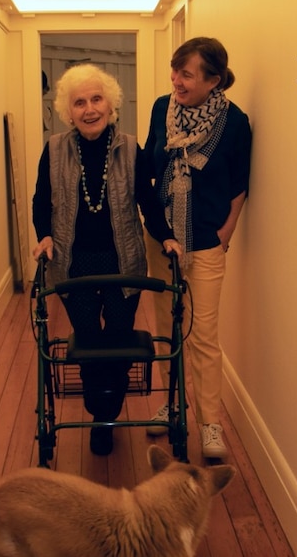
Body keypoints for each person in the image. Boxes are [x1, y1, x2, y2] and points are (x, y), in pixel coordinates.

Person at [32, 63, 182, 456]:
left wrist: (166, 237)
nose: (89, 109)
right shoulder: (54, 149)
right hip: (73, 262)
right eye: (79, 102)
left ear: (111, 103)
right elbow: (39, 201)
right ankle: (100, 415)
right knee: (89, 344)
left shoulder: (132, 148)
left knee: (116, 344)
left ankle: (107, 414)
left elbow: (148, 202)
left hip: (123, 262)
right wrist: (44, 236)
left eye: (96, 99)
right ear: (69, 110)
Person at [143, 37, 252, 459]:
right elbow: (150, 170)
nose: (176, 81)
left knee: (204, 336)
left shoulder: (234, 122)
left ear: (213, 80)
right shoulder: (160, 109)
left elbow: (240, 185)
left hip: (206, 244)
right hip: (162, 241)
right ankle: (172, 403)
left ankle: (210, 424)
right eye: (175, 71)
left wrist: (226, 234)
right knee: (166, 330)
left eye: (186, 74)